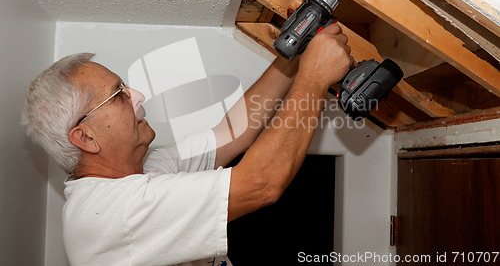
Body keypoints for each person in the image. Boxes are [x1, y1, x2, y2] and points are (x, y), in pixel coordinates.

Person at [22, 23, 352, 266]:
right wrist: (314, 78)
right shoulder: (112, 213)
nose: (137, 95)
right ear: (86, 137)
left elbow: (231, 131)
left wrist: (295, 57)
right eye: (118, 94)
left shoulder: (140, 171)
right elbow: (262, 183)